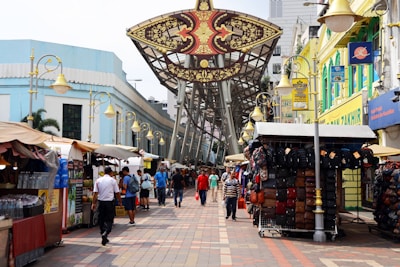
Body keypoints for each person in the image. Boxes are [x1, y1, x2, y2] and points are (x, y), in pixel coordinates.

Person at [92, 166, 123, 246]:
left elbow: (95, 193)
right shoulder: (113, 181)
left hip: (101, 202)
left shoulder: (98, 180)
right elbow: (117, 193)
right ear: (110, 173)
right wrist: (120, 202)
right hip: (110, 203)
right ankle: (106, 233)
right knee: (109, 219)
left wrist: (93, 203)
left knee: (101, 219)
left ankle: (103, 232)